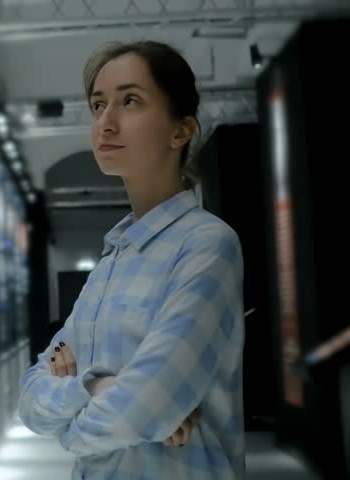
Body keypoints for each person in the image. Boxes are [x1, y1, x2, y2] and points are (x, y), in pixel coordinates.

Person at [17, 40, 245, 479]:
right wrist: (98, 386)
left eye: (130, 101)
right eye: (98, 105)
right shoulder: (112, 262)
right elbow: (30, 398)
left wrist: (71, 428)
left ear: (181, 131)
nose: (106, 122)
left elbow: (145, 407)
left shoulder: (206, 245)